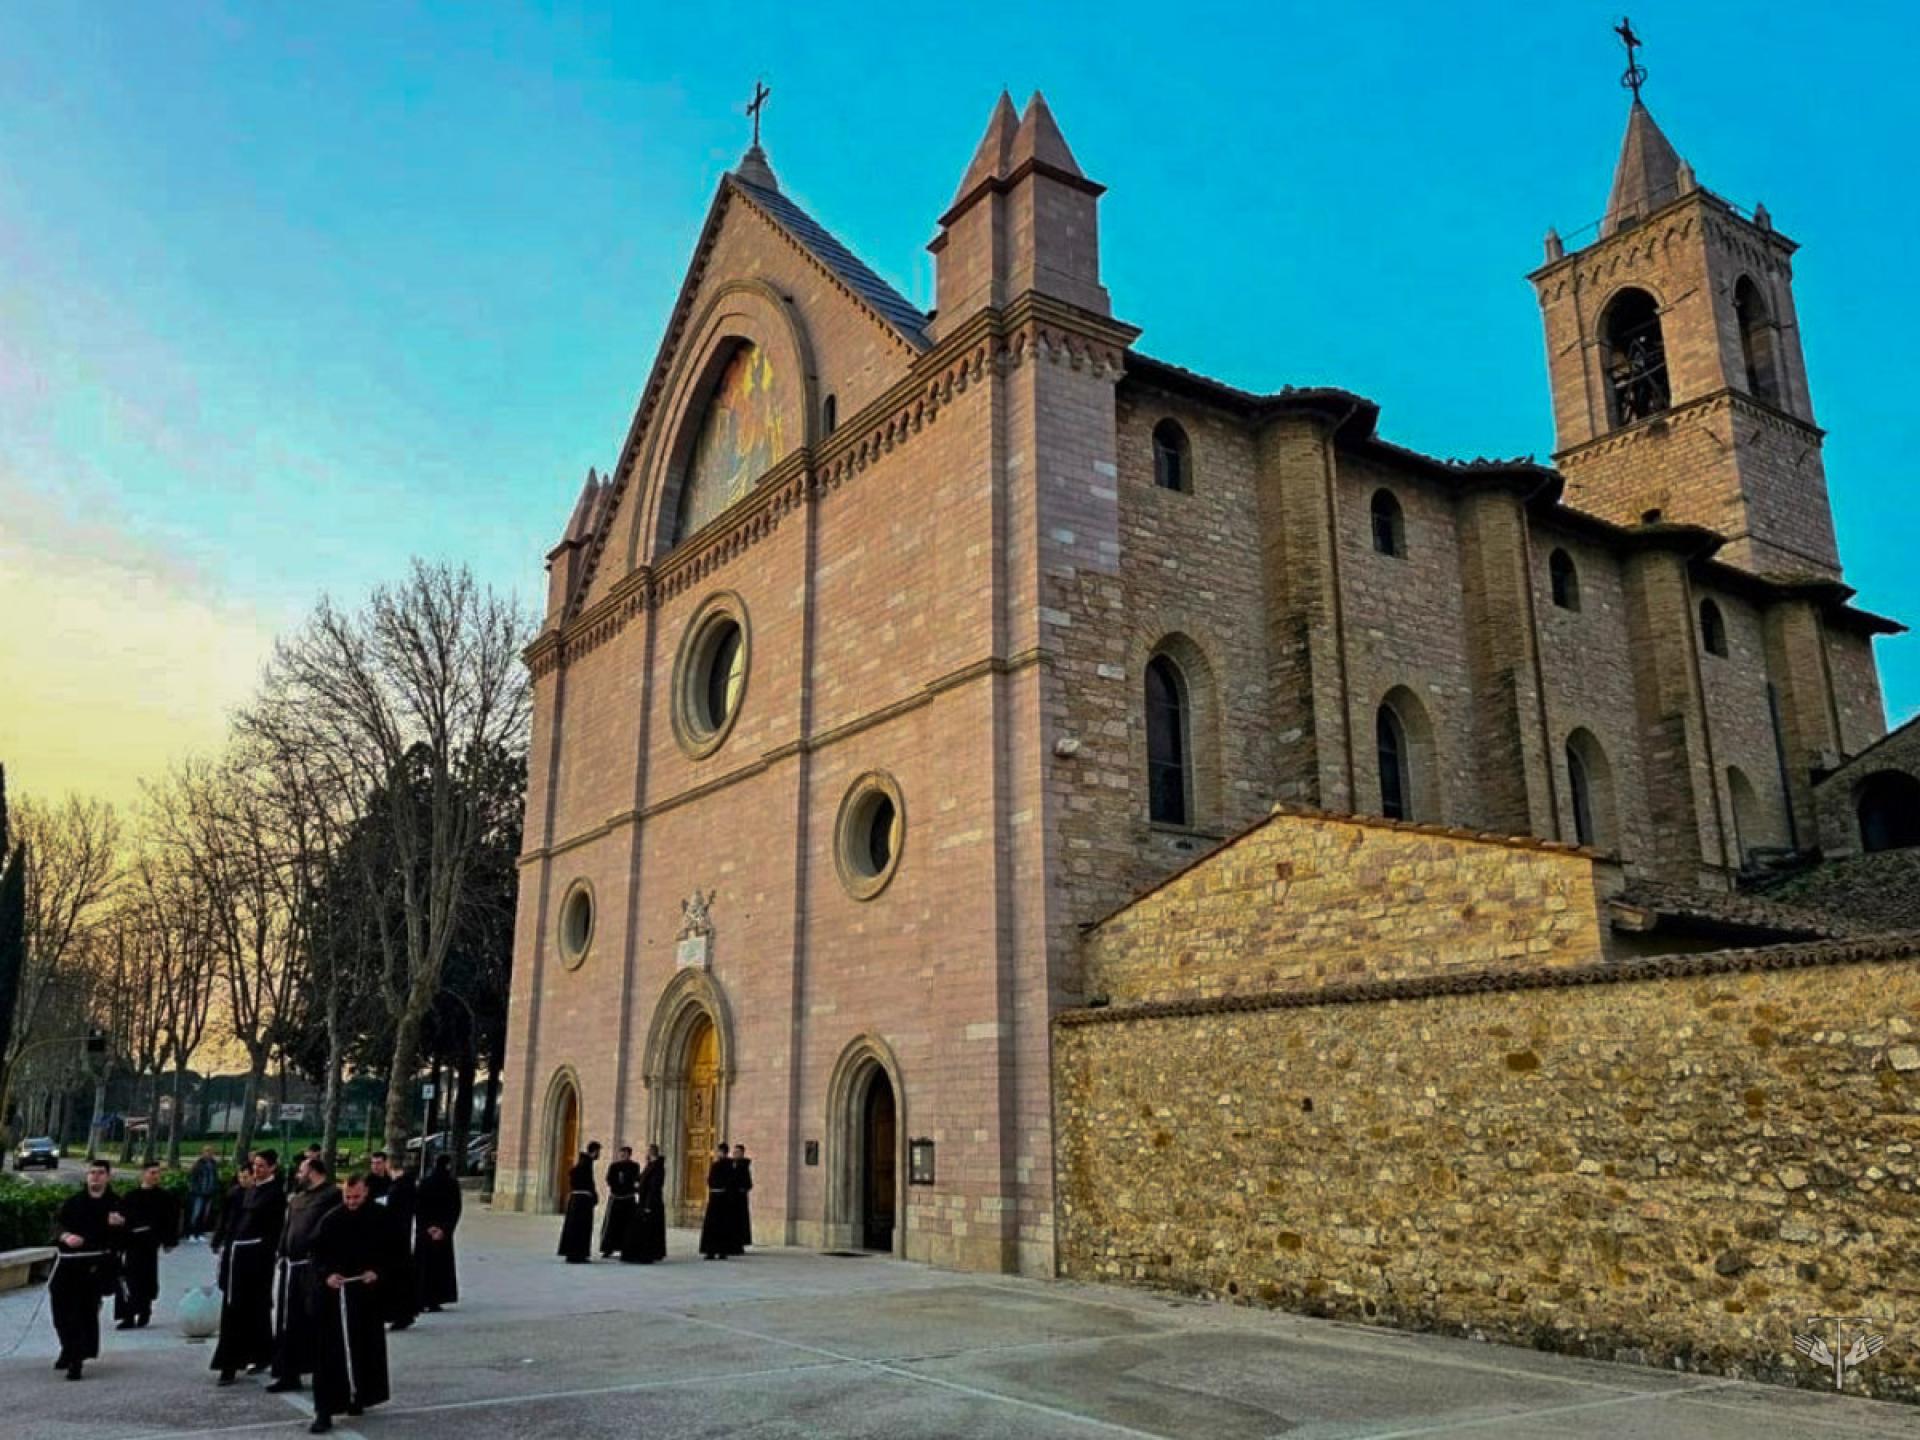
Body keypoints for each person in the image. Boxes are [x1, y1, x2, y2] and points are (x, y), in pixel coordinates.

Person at [308, 1174, 391, 1435]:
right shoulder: (331, 1219)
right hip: (334, 1296)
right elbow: (316, 1254)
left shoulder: (380, 1217)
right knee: (329, 1353)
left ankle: (359, 1394)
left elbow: (393, 1252)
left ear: (366, 1193)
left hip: (364, 1295)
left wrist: (377, 1271)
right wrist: (327, 1275)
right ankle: (325, 1409)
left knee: (363, 1346)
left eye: (357, 1197)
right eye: (347, 1197)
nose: (352, 1202)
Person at [212, 1148, 288, 1385]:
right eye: (255, 1165)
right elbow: (234, 1223)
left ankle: (250, 1357)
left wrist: (263, 1254)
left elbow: (274, 1231)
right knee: (237, 1309)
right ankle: (239, 1359)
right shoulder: (248, 1190)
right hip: (238, 1257)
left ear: (272, 1167)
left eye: (262, 1166)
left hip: (256, 1260)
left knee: (255, 1308)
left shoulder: (275, 1194)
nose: (257, 1169)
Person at [268, 1157, 340, 1394]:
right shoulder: (297, 1199)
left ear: (313, 1172)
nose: (298, 1175)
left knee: (316, 1321)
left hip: (314, 1268)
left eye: (301, 1171)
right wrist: (282, 1250)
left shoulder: (332, 1195)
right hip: (293, 1267)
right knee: (291, 1321)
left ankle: (322, 1372)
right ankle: (289, 1373)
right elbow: (288, 1227)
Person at [50, 1159, 124, 1380]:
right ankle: (68, 1347)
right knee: (60, 1312)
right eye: (92, 1172)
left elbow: (125, 1238)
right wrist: (66, 1236)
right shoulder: (73, 1202)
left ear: (108, 1177)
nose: (95, 1177)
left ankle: (76, 1358)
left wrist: (120, 1225)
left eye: (100, 1173)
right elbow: (56, 1225)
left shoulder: (116, 1204)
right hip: (68, 1263)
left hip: (95, 1265)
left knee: (83, 1313)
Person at [114, 1162, 178, 1328]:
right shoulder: (130, 1197)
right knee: (129, 1279)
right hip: (132, 1243)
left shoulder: (164, 1197)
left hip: (150, 1243)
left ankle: (144, 1309)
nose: (156, 1176)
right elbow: (120, 1218)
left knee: (147, 1278)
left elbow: (170, 1220)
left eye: (158, 1173)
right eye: (152, 1172)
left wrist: (169, 1241)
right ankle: (128, 1315)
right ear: (143, 1174)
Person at [414, 1154, 462, 1311]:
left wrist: (427, 1227)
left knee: (423, 1266)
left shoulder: (425, 1182)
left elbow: (418, 1207)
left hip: (426, 1232)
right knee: (439, 1267)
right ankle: (435, 1299)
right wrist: (444, 1229)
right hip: (442, 1233)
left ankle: (421, 1298)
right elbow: (455, 1209)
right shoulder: (452, 1184)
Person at [377, 1156, 418, 1330]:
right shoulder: (409, 1185)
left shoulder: (397, 1187)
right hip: (403, 1233)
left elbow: (392, 1210)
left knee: (395, 1276)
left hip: (394, 1236)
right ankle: (404, 1312)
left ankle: (399, 1313)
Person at [621, 1144, 667, 1265]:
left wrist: (648, 1205)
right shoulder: (650, 1165)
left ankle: (651, 1252)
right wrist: (637, 1184)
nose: (646, 1153)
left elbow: (654, 1186)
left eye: (648, 1151)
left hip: (651, 1203)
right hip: (644, 1200)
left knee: (649, 1228)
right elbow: (641, 1179)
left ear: (652, 1153)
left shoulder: (658, 1167)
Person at [556, 1141, 601, 1263]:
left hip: (578, 1200)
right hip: (582, 1201)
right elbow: (582, 1179)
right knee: (581, 1228)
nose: (599, 1155)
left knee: (575, 1227)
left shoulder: (585, 1162)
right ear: (595, 1151)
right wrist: (592, 1194)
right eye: (598, 1152)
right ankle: (577, 1254)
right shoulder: (585, 1163)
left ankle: (574, 1253)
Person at [600, 1146, 639, 1258]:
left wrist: (632, 1187)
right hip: (616, 1198)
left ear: (629, 1155)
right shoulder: (614, 1166)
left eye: (625, 1153)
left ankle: (626, 1248)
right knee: (611, 1225)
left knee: (628, 1225)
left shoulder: (634, 1166)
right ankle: (608, 1248)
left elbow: (636, 1179)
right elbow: (609, 1179)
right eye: (621, 1153)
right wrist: (616, 1185)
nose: (622, 1155)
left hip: (628, 1199)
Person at [698, 1144, 734, 1260]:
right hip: (720, 1197)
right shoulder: (727, 1165)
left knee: (716, 1225)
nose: (718, 1153)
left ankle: (714, 1251)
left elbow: (712, 1180)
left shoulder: (723, 1165)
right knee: (720, 1225)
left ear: (722, 1152)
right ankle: (719, 1251)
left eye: (719, 1151)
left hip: (719, 1198)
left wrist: (717, 1186)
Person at [187, 1146, 222, 1241]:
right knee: (196, 1213)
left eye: (211, 1152)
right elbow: (192, 1178)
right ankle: (191, 1233)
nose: (209, 1154)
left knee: (204, 1214)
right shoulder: (198, 1164)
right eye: (207, 1152)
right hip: (198, 1193)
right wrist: (195, 1189)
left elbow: (215, 1177)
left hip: (209, 1192)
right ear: (203, 1153)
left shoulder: (213, 1164)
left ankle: (200, 1233)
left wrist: (215, 1188)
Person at [731, 1143, 754, 1253]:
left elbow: (748, 1184)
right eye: (734, 1152)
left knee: (740, 1222)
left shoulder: (744, 1166)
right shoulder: (731, 1164)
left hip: (740, 1199)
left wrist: (741, 1189)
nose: (735, 1154)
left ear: (742, 1153)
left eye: (737, 1152)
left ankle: (739, 1244)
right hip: (731, 1198)